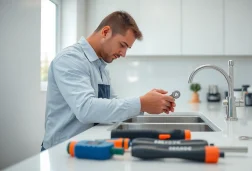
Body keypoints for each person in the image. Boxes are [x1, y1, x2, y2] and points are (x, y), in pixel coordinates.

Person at [41, 11, 176, 151]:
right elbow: (86, 109)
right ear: (106, 32)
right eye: (122, 45)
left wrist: (148, 104)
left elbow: (111, 107)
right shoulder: (70, 59)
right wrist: (141, 103)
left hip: (87, 148)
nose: (124, 54)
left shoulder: (101, 67)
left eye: (127, 48)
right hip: (61, 151)